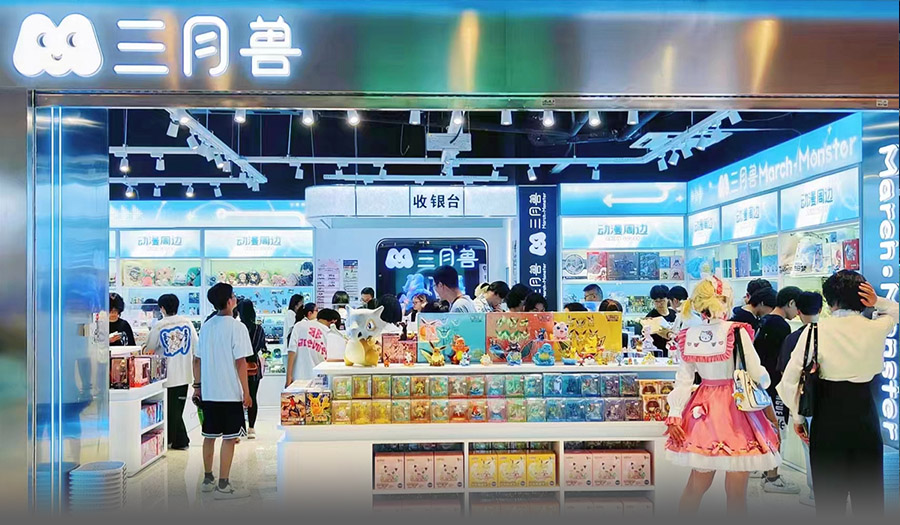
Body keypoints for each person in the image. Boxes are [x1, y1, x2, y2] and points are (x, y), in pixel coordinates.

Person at [778, 271, 899, 517]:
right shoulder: (875, 328)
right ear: (863, 297)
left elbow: (790, 381)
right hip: (866, 417)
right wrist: (878, 302)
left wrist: (798, 418)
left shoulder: (814, 332)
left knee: (830, 504)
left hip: (827, 419)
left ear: (828, 299)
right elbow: (895, 311)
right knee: (869, 502)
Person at [665, 276, 780, 514]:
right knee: (736, 492)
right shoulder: (737, 331)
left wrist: (675, 412)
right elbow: (757, 373)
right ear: (726, 300)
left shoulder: (689, 334)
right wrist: (767, 388)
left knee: (696, 485)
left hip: (703, 409)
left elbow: (684, 379)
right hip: (736, 408)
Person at [193, 283, 253, 500]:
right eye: (233, 295)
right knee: (229, 438)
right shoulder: (237, 327)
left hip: (209, 392)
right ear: (229, 301)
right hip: (230, 393)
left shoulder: (206, 327)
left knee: (209, 437)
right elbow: (241, 362)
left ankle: (207, 479)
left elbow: (197, 360)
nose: (235, 298)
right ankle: (223, 484)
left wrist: (197, 387)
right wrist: (246, 392)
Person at [752, 285, 801, 494]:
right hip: (774, 386)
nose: (798, 312)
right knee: (776, 429)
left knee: (767, 429)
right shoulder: (781, 326)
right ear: (791, 303)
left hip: (761, 386)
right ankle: (772, 477)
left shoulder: (765, 321)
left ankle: (767, 473)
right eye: (797, 307)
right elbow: (782, 361)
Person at [775, 291, 822, 508]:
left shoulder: (793, 338)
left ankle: (815, 493)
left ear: (799, 311)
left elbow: (785, 375)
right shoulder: (829, 334)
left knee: (810, 448)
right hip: (835, 399)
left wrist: (794, 411)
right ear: (821, 309)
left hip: (805, 403)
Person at [144, 294, 198, 450]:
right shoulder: (187, 323)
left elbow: (150, 347)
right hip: (185, 373)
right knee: (177, 408)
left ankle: (177, 440)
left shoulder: (159, 326)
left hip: (166, 375)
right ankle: (178, 440)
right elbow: (196, 345)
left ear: (162, 308)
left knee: (170, 409)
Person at [235, 299, 266, 440]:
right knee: (252, 396)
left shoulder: (237, 328)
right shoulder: (258, 329)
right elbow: (261, 346)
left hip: (237, 365)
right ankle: (251, 428)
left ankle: (238, 427)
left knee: (237, 397)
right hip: (253, 366)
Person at [286, 308, 342, 386]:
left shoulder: (300, 325)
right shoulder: (331, 334)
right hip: (320, 383)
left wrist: (288, 376)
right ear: (334, 321)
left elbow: (291, 351)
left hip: (298, 380)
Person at [645, 285, 676, 352]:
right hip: (657, 352)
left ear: (668, 299)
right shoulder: (650, 317)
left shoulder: (675, 314)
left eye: (662, 301)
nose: (659, 304)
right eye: (656, 301)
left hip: (674, 351)